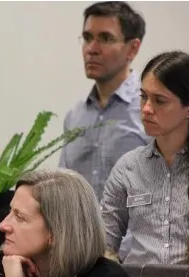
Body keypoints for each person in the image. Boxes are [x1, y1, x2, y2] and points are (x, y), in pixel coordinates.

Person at [101, 50, 189, 265]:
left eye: (159, 101)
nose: (146, 109)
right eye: (143, 96)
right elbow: (105, 242)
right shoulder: (128, 167)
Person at [0, 169, 148, 277]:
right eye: (10, 212)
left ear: (57, 230)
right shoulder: (19, 274)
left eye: (20, 217)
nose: (3, 225)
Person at [59, 1, 150, 202]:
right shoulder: (75, 117)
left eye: (105, 38)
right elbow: (63, 192)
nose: (91, 49)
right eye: (87, 38)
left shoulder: (151, 110)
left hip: (136, 233)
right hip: (80, 233)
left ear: (132, 49)